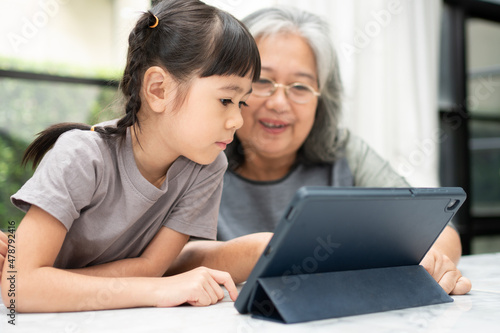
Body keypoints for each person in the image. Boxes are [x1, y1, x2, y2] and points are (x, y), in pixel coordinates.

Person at [0, 0, 261, 312]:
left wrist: (59, 283)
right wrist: (158, 289)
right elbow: (21, 288)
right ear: (158, 90)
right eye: (225, 99)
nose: (237, 121)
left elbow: (150, 268)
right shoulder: (81, 156)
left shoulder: (206, 166)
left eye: (242, 103)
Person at [214, 6, 470, 295]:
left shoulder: (346, 152)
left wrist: (430, 260)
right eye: (262, 81)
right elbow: (172, 259)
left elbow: (441, 233)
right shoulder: (203, 154)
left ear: (321, 100)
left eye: (300, 86)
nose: (278, 103)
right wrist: (258, 253)